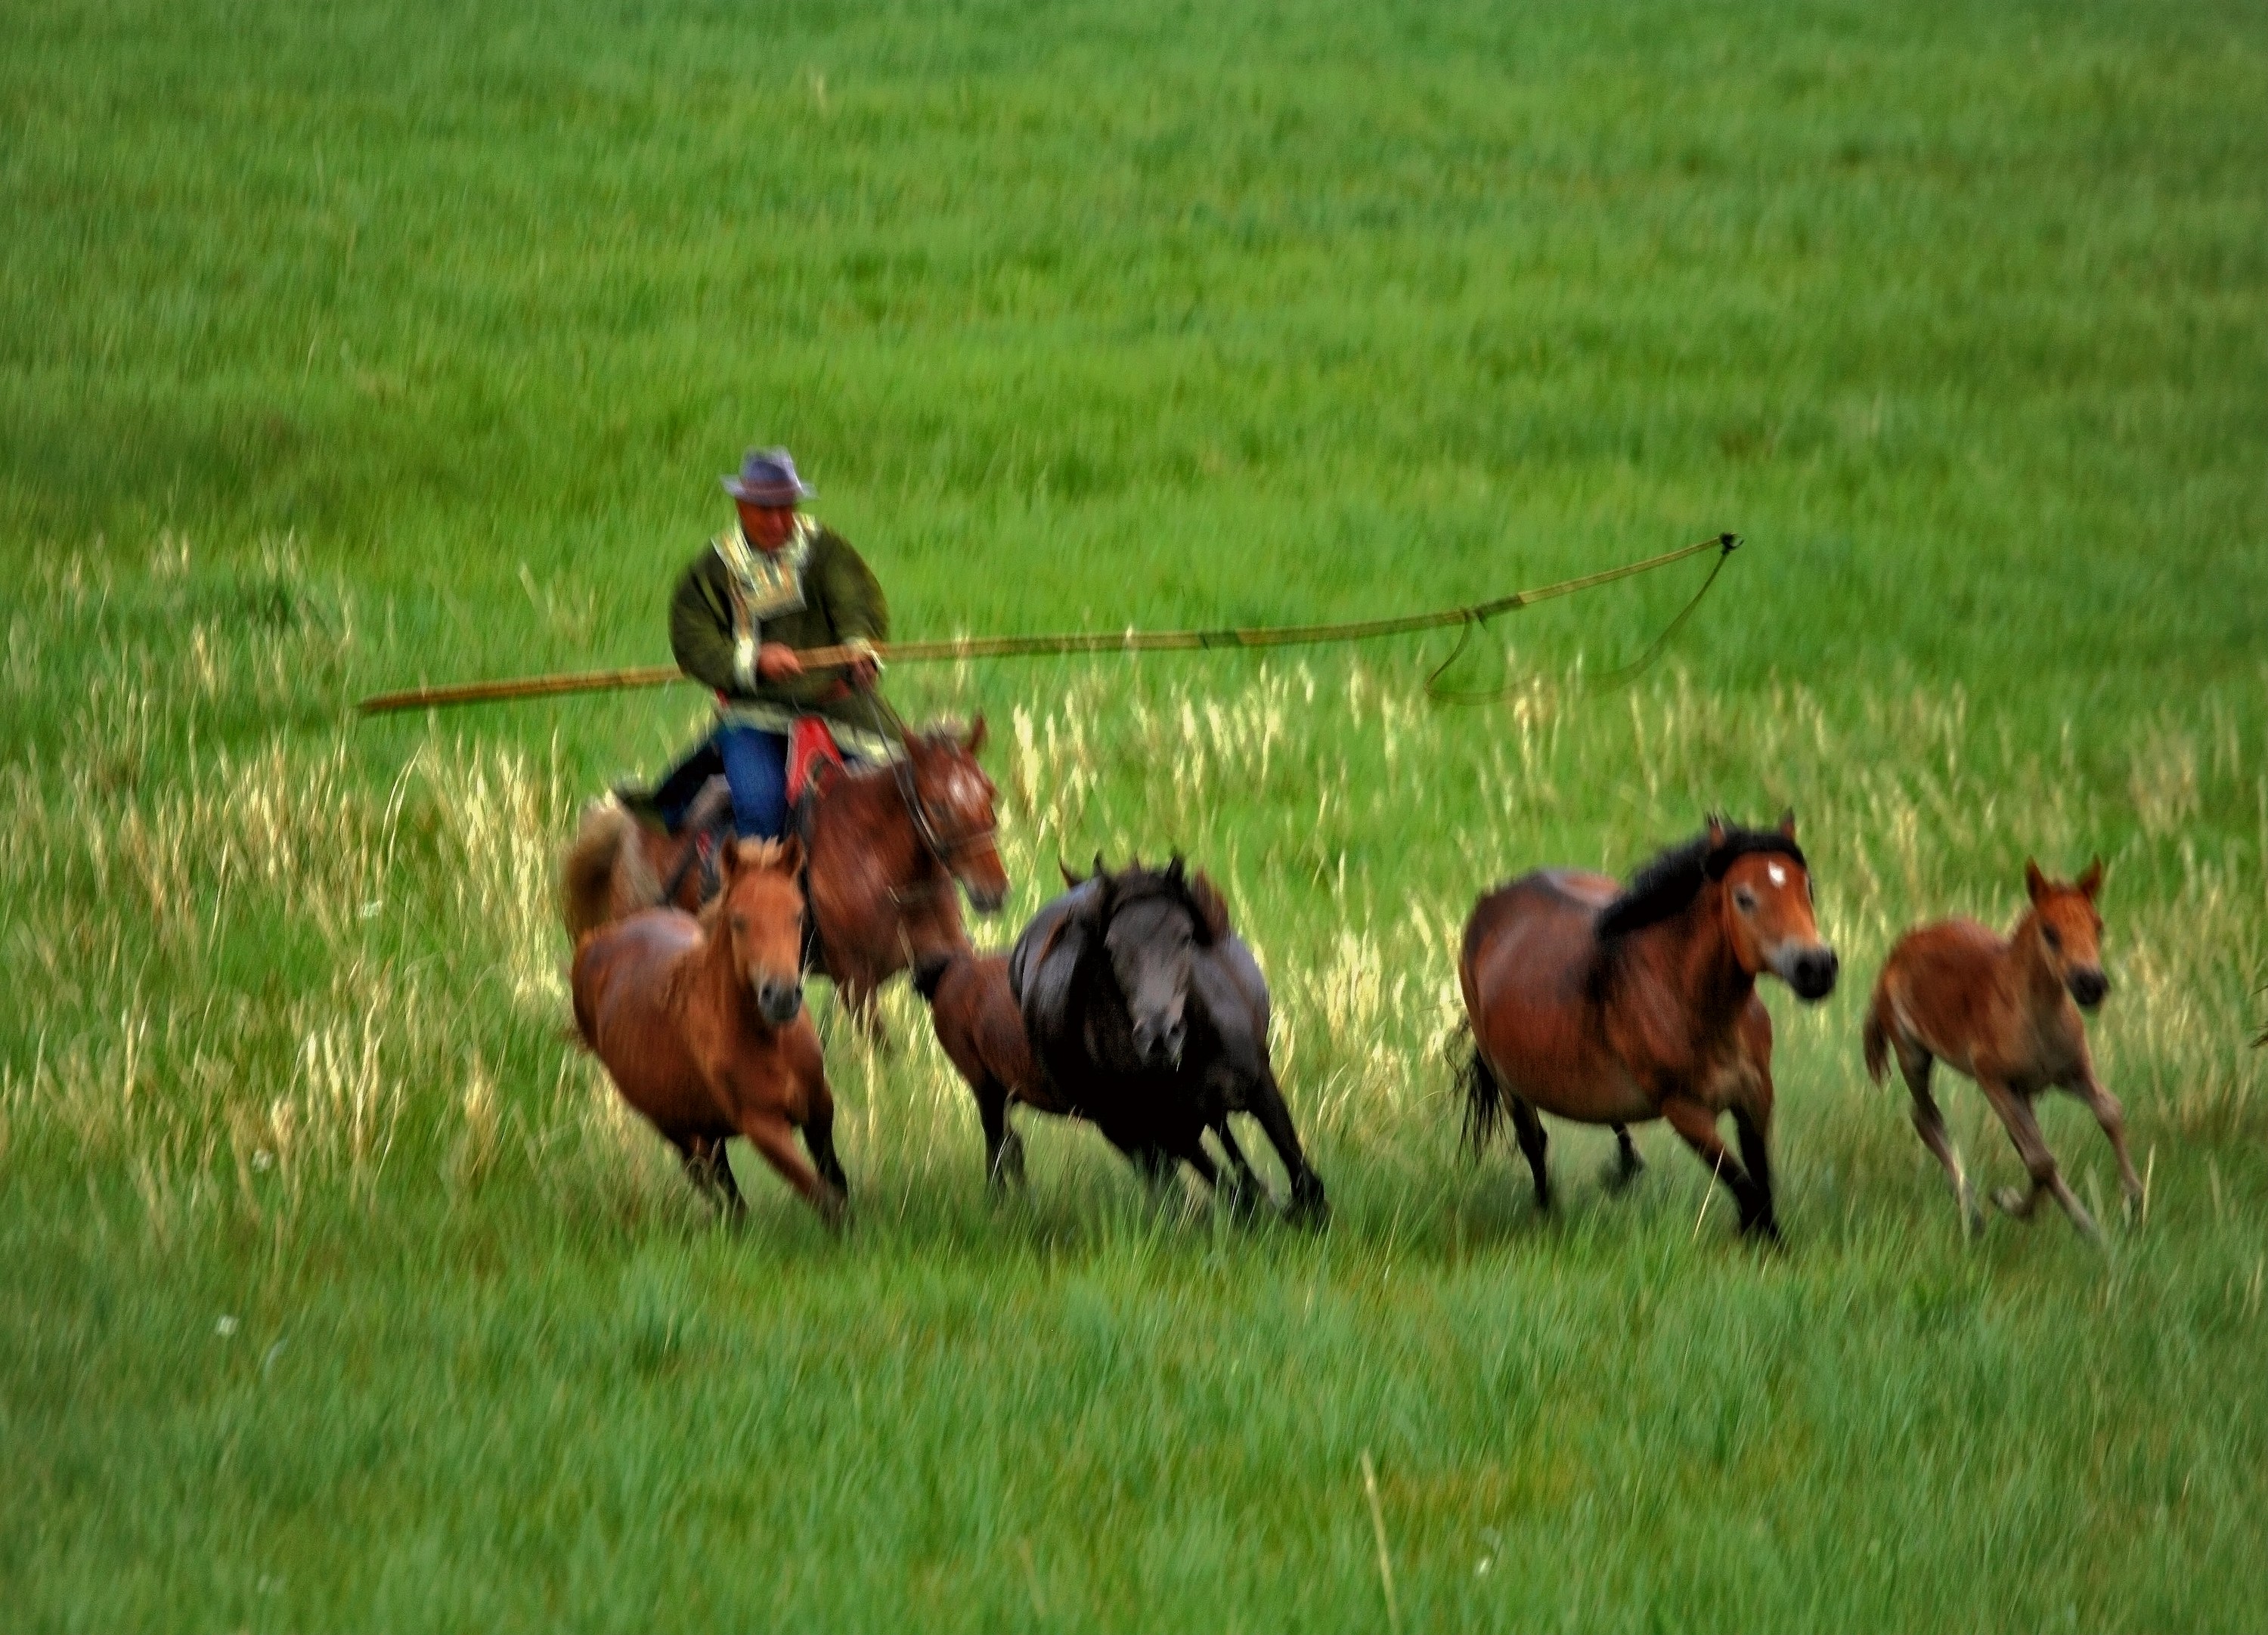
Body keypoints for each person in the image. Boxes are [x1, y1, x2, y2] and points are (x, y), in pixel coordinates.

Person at [645, 447, 891, 841]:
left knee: (900, 790)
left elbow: (856, 603)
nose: (777, 521)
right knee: (762, 807)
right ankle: (753, 894)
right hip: (754, 712)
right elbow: (695, 638)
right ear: (742, 507)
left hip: (840, 705)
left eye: (785, 508)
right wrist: (754, 660)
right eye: (764, 509)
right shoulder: (715, 566)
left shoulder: (825, 550)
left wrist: (859, 651)